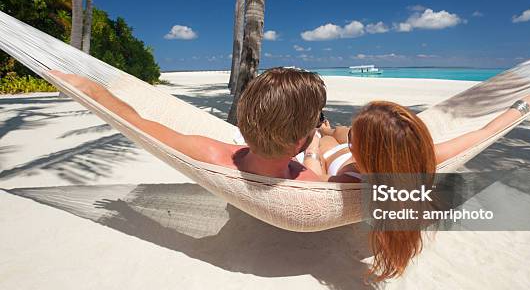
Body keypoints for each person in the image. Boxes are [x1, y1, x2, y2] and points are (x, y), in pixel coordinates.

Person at [311, 88, 530, 281]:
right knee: (342, 130)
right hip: (361, 154)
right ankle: (335, 129)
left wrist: (313, 148)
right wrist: (529, 102)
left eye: (358, 135)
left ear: (366, 151)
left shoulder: (343, 183)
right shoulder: (419, 159)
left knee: (328, 139)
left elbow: (308, 179)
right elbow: (486, 132)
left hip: (337, 157)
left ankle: (326, 131)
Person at [50, 67, 327, 180]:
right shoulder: (309, 184)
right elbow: (367, 198)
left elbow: (135, 121)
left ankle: (320, 134)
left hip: (280, 147)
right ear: (298, 142)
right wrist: (314, 148)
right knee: (333, 138)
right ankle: (323, 136)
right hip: (307, 157)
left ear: (243, 127)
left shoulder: (210, 153)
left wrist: (91, 90)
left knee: (327, 136)